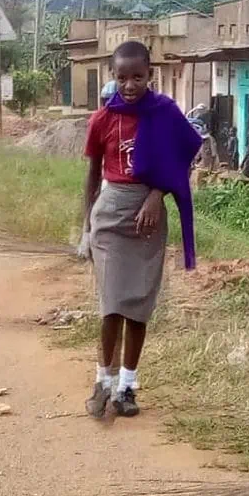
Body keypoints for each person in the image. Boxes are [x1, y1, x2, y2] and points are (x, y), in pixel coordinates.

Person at [80, 40, 202, 418]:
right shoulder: (102, 119)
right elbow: (91, 176)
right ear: (112, 77)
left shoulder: (164, 113)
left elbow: (186, 154)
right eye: (122, 78)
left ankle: (127, 387)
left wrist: (156, 195)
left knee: (138, 307)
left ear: (150, 74)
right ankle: (103, 381)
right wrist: (85, 227)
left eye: (137, 76)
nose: (130, 85)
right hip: (110, 216)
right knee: (113, 303)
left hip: (149, 217)